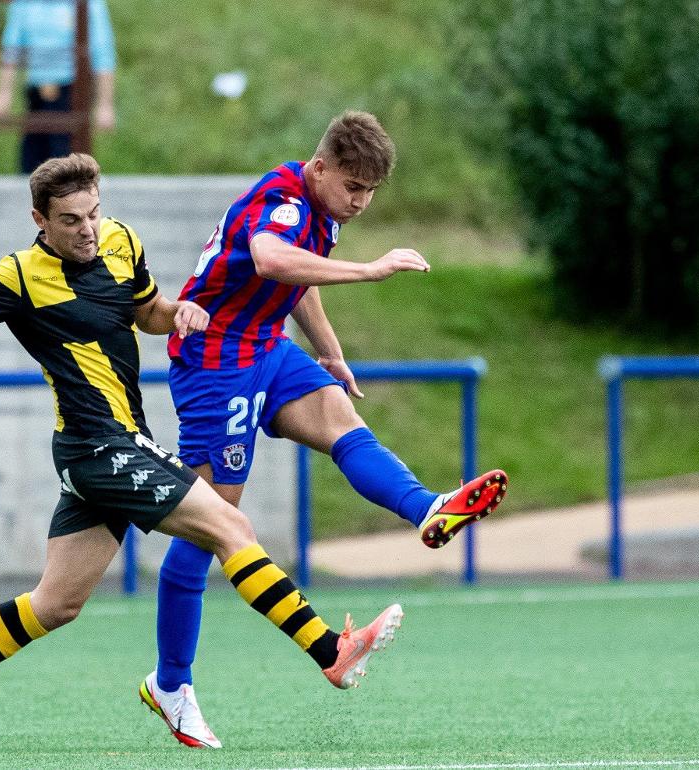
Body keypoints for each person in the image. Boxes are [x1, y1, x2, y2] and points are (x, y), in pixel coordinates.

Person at [0, 153, 404, 752]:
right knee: (230, 527)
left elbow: (148, 314)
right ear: (39, 220)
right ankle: (330, 650)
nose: (89, 230)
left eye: (94, 213)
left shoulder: (121, 243)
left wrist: (180, 312)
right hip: (99, 446)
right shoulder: (18, 276)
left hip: (115, 444)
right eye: (71, 220)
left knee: (55, 604)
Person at [138, 111, 509, 749]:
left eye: (371, 193)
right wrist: (369, 270)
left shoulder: (324, 210)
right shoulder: (282, 199)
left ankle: (429, 508)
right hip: (215, 358)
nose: (361, 203)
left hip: (266, 347)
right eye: (354, 187)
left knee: (342, 418)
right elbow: (272, 258)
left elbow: (298, 284)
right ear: (321, 166)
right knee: (209, 525)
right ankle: (171, 683)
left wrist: (330, 353)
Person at [0, 0, 118, 173]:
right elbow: (12, 50)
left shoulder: (90, 4)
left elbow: (102, 54)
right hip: (35, 93)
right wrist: (4, 93)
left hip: (71, 93)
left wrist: (105, 105)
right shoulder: (24, 4)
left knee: (68, 168)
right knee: (31, 162)